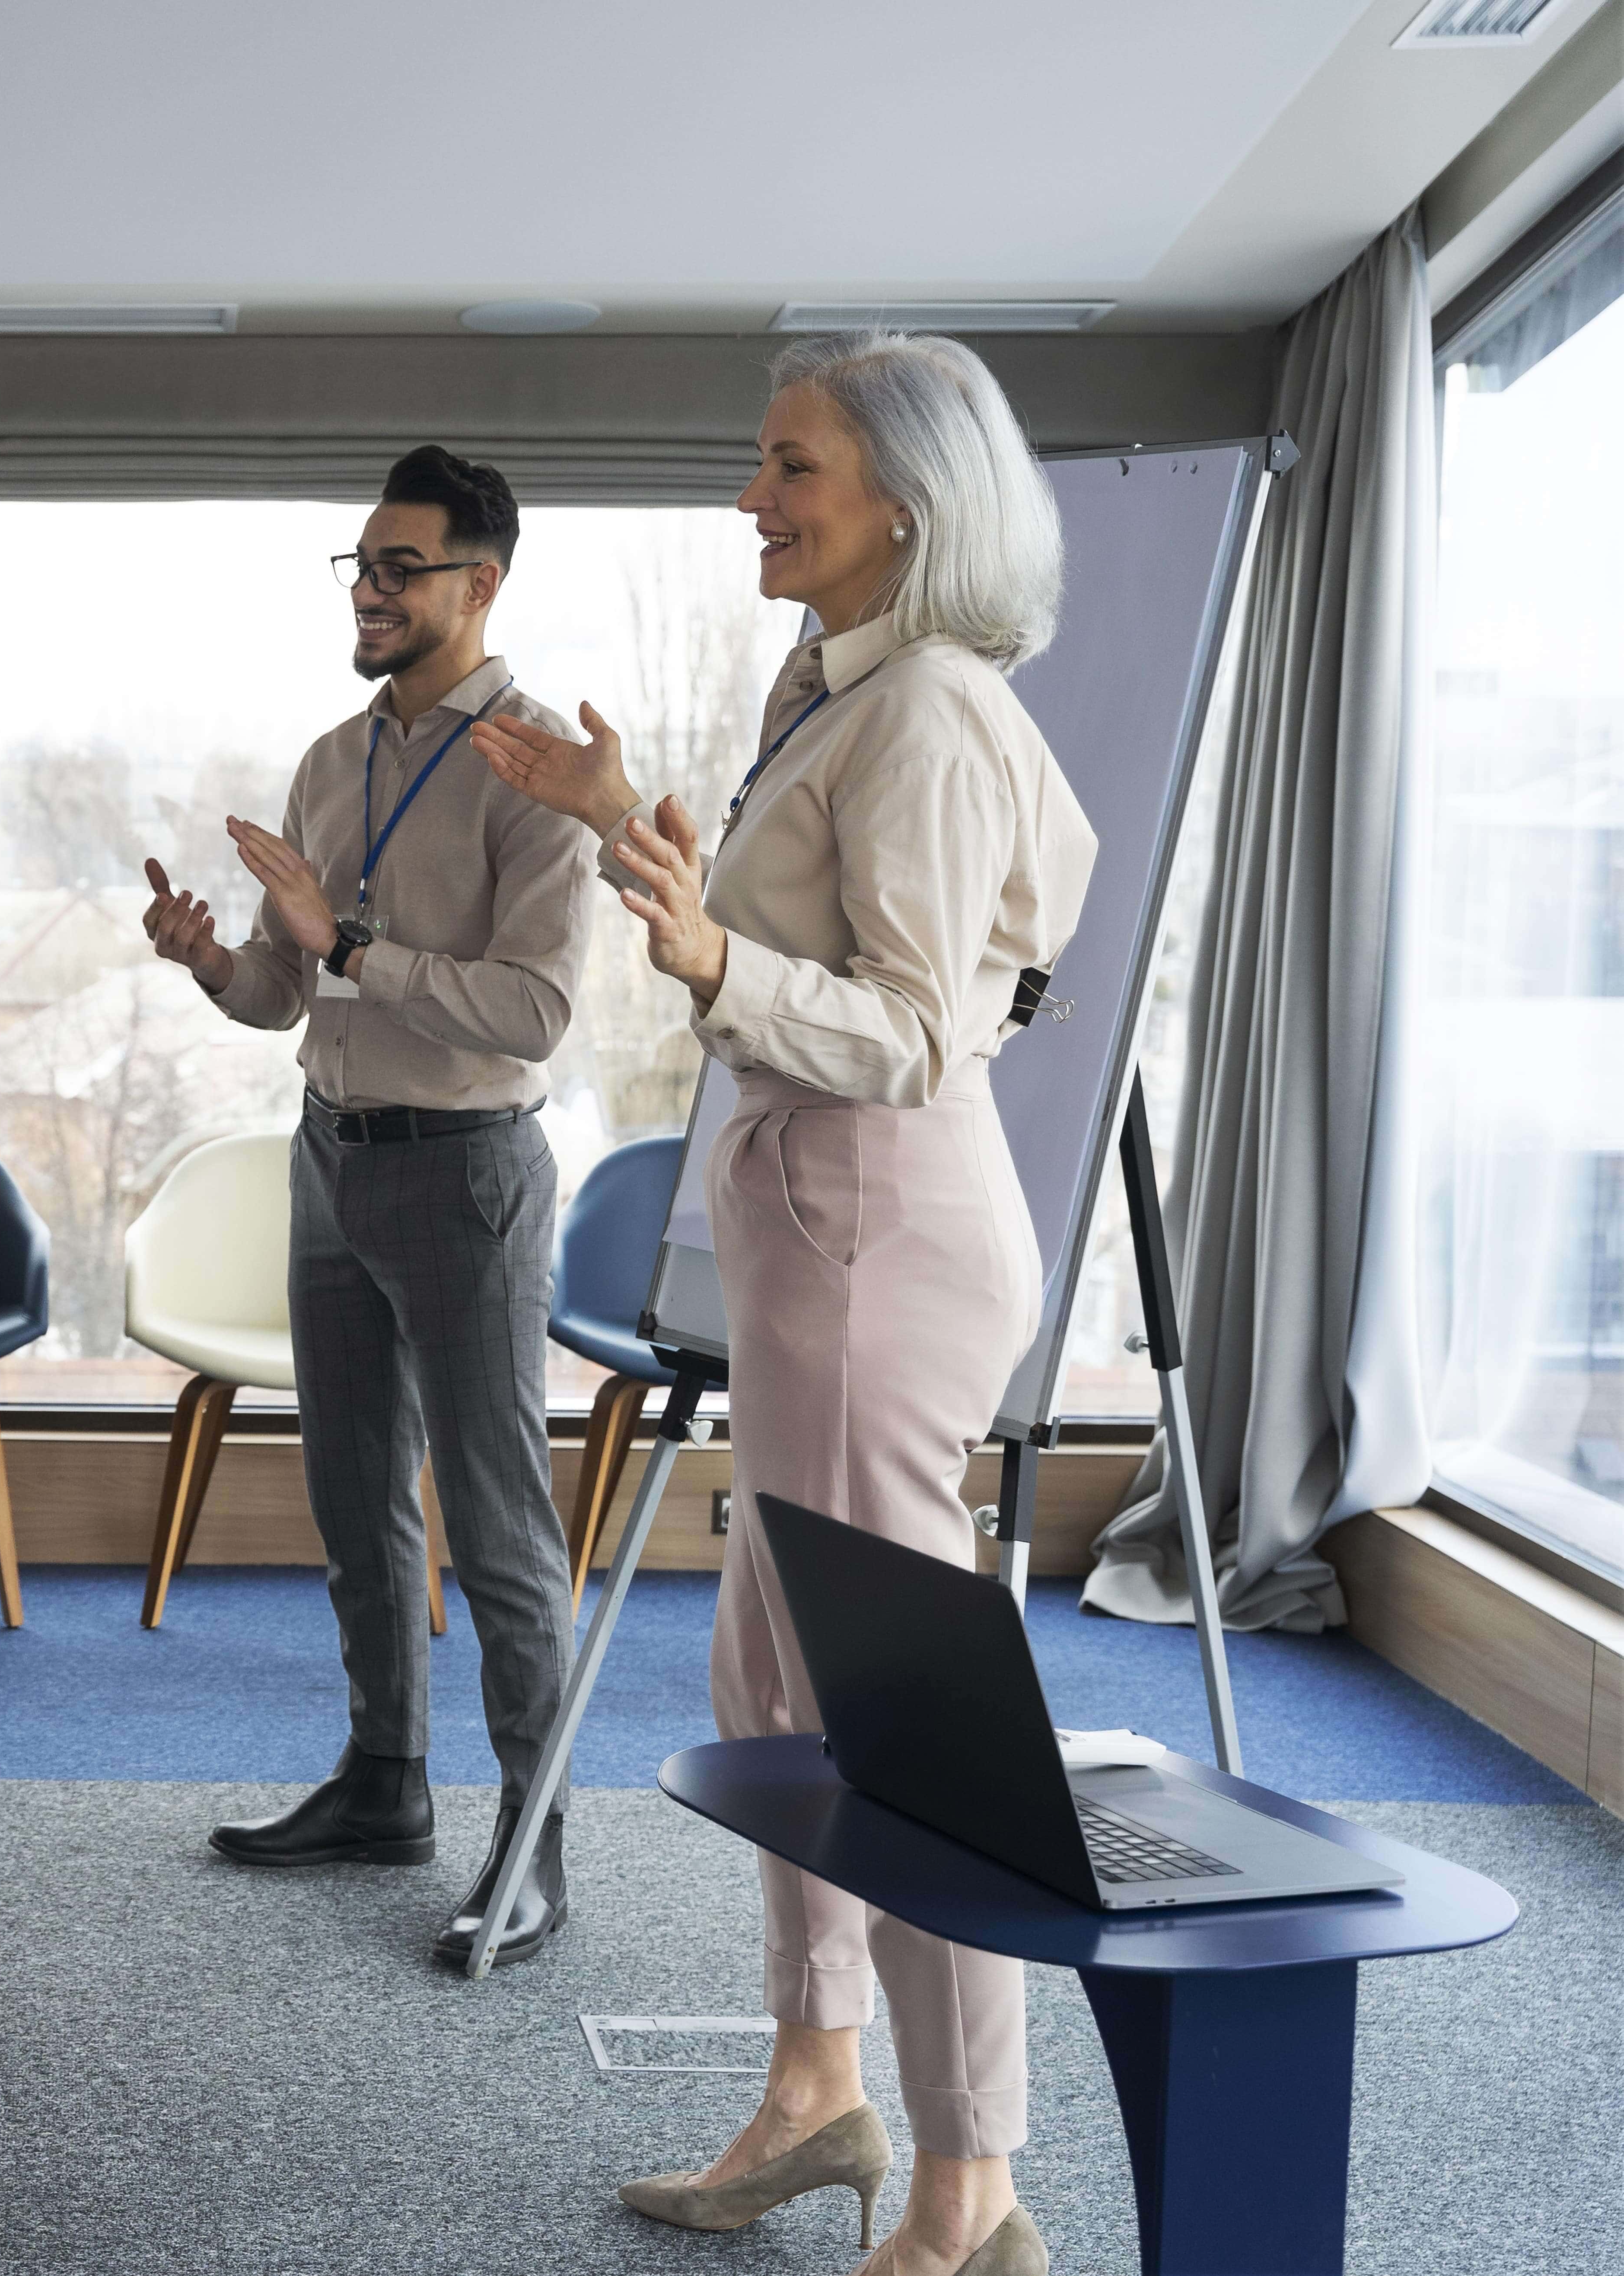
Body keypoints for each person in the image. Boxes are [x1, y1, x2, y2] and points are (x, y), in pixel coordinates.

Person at [477, 331, 1093, 2276]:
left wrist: (708, 955)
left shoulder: (930, 711)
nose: (753, 495)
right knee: (773, 1687)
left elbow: (914, 1030)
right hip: (814, 1243)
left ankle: (970, 2190)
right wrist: (634, 830)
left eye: (791, 463)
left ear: (908, 500)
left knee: (897, 1719)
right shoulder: (834, 685)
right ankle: (818, 2086)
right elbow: (791, 937)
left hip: (876, 1241)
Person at [140, 445, 599, 1965]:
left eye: (403, 568)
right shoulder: (331, 759)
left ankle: (531, 1837)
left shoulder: (539, 767)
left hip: (467, 1173)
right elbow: (285, 992)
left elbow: (533, 1010)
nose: (372, 591)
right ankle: (385, 1780)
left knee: (497, 1519)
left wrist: (347, 946)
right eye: (362, 565)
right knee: (353, 1495)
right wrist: (214, 960)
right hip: (330, 1152)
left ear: (484, 582)